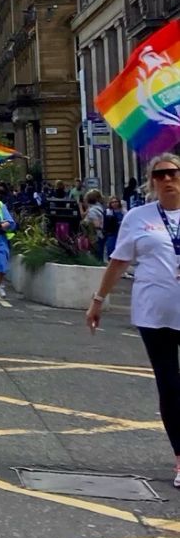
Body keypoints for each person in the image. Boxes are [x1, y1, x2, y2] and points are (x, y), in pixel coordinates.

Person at [88, 152, 180, 488]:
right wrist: (98, 300)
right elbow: (119, 261)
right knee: (170, 386)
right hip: (154, 313)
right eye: (160, 175)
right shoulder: (138, 217)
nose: (167, 180)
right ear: (151, 182)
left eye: (172, 173)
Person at [103, 194, 125, 259]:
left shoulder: (124, 211)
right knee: (111, 248)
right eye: (113, 202)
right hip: (111, 233)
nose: (115, 203)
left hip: (121, 233)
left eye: (116, 202)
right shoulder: (107, 212)